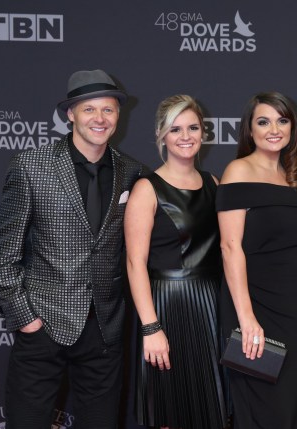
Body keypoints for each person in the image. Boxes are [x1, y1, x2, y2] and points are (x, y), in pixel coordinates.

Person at [0, 69, 143, 429]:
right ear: (70, 113)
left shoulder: (133, 172)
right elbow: (4, 254)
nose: (100, 119)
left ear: (119, 115)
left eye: (108, 110)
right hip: (42, 325)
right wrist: (27, 320)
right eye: (89, 109)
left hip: (104, 330)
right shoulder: (31, 166)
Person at [124, 94, 228, 429]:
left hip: (213, 308)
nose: (186, 136)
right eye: (176, 129)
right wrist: (151, 327)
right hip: (168, 307)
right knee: (170, 410)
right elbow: (135, 263)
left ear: (203, 132)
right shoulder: (146, 188)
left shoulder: (214, 183)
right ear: (162, 135)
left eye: (193, 127)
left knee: (213, 409)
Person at [216, 92, 297, 429]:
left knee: (286, 408)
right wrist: (247, 319)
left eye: (282, 120)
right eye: (264, 121)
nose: (274, 128)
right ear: (250, 130)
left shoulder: (296, 181)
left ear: (292, 127)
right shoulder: (238, 171)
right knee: (258, 409)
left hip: (294, 312)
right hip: (252, 308)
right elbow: (230, 247)